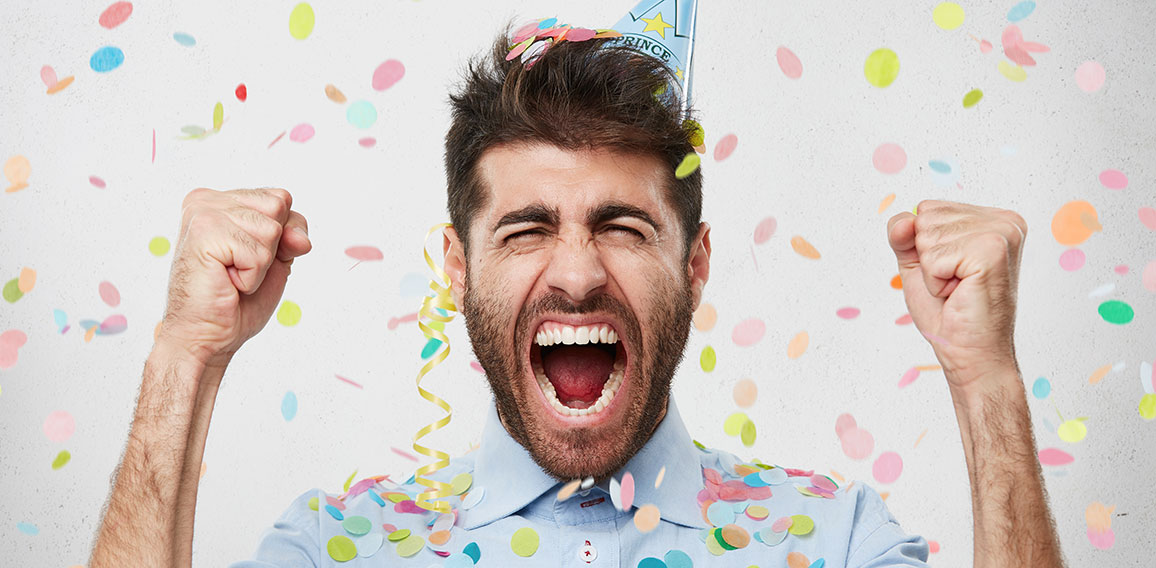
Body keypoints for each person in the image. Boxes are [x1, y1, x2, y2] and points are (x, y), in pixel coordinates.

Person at [89, 19, 1066, 568]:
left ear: (696, 264)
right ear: (456, 267)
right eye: (524, 228)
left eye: (622, 225)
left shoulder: (839, 540)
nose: (574, 271)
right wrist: (187, 351)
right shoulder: (335, 547)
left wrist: (985, 378)